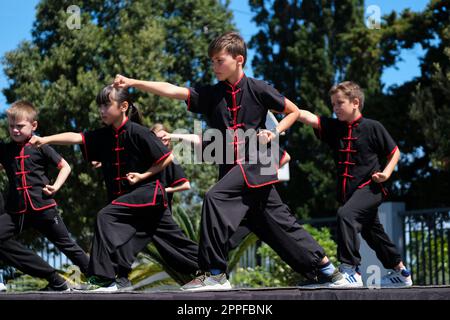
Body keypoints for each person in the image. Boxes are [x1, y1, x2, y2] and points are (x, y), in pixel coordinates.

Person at [113, 31, 342, 291]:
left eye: (219, 60)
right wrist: (134, 82)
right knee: (276, 224)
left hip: (257, 164)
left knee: (214, 198)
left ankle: (215, 274)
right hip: (234, 172)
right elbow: (173, 91)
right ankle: (326, 271)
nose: (214, 66)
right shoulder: (211, 94)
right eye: (211, 61)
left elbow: (293, 112)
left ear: (239, 59)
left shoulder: (258, 88)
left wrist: (274, 132)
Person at [30, 86, 205, 292]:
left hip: (147, 195)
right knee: (171, 243)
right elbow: (77, 137)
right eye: (100, 106)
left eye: (106, 105)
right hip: (136, 203)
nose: (101, 110)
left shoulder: (140, 132)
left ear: (123, 106)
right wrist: (46, 139)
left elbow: (166, 158)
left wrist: (143, 175)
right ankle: (213, 269)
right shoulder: (104, 135)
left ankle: (105, 279)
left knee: (106, 217)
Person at [297, 81, 413, 288]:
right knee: (373, 232)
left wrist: (386, 174)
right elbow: (307, 116)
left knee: (346, 215)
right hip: (350, 195)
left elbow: (395, 152)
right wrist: (281, 105)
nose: (335, 108)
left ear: (355, 102)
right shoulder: (335, 128)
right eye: (333, 104)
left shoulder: (373, 127)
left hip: (371, 189)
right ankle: (401, 273)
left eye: (339, 103)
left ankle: (351, 270)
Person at [0, 101, 89, 291]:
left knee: (67, 245)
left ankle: (102, 277)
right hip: (18, 213)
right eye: (11, 126)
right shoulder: (5, 150)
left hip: (43, 209)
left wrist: (55, 186)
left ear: (34, 126)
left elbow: (65, 166)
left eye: (20, 126)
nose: (15, 130)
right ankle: (55, 279)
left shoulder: (41, 146)